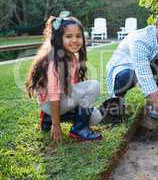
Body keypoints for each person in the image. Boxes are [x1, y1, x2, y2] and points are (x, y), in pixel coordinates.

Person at [106, 6, 158, 139]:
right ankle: (118, 102)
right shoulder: (140, 41)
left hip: (149, 63)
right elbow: (145, 79)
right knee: (130, 75)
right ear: (156, 24)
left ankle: (156, 107)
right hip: (123, 67)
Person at [26, 11, 104, 143]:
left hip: (61, 101)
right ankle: (79, 130)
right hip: (52, 102)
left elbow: (73, 86)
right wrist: (56, 126)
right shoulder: (56, 62)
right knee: (94, 85)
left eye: (78, 36)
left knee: (96, 117)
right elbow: (54, 96)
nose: (74, 40)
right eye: (69, 36)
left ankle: (47, 119)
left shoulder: (72, 57)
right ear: (59, 38)